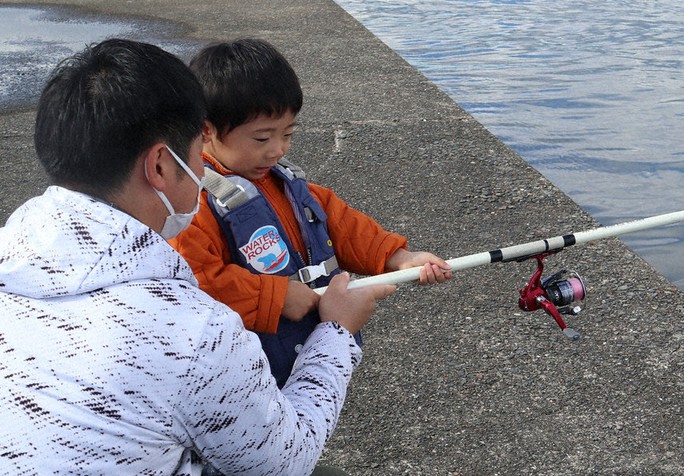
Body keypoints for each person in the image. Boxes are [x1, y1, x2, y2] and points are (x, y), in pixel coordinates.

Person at [0, 38, 394, 475]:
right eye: (196, 150)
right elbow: (285, 462)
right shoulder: (190, 333)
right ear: (162, 166)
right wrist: (337, 331)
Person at [171, 38, 452, 387]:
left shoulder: (286, 185)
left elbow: (342, 225)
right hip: (248, 373)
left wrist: (399, 258)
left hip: (306, 347)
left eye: (287, 133)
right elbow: (197, 283)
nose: (277, 150)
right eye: (262, 138)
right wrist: (273, 297)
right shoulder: (192, 204)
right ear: (207, 129)